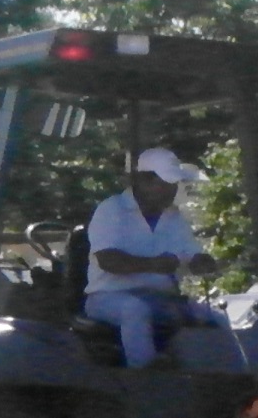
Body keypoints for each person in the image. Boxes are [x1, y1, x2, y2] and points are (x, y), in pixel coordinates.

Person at [83, 147, 228, 368]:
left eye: (174, 184)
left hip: (161, 299)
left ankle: (231, 375)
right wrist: (153, 265)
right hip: (107, 297)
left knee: (217, 318)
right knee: (135, 310)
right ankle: (145, 373)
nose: (171, 190)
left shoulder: (174, 217)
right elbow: (108, 260)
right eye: (165, 183)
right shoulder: (111, 210)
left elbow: (190, 253)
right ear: (142, 180)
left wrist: (201, 261)